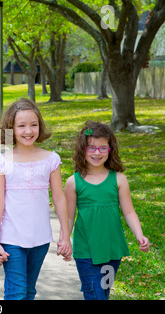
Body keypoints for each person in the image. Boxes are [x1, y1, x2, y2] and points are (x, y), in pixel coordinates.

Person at [0, 98, 72, 300]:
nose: (28, 131)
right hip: (11, 238)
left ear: (40, 126)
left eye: (33, 125)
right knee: (16, 293)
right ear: (11, 128)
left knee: (28, 291)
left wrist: (65, 234)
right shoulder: (1, 162)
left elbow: (60, 199)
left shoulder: (51, 159)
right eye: (21, 126)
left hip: (40, 238)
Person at [64, 120, 149, 300]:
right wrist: (65, 239)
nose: (97, 153)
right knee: (94, 294)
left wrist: (139, 235)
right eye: (91, 148)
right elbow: (69, 217)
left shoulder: (119, 179)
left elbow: (129, 212)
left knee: (104, 292)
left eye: (103, 148)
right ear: (82, 150)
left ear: (110, 150)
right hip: (86, 250)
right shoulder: (73, 182)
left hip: (112, 250)